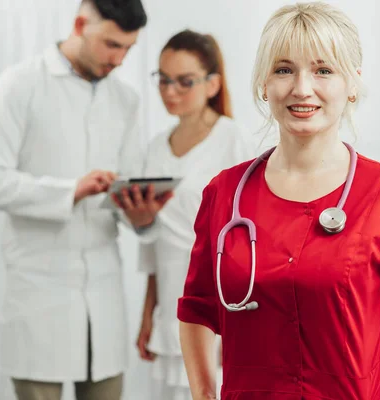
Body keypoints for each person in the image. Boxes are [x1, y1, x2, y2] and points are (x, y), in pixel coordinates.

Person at [177, 2, 380, 400]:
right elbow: (197, 308)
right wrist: (203, 393)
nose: (302, 88)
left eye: (323, 70)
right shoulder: (224, 194)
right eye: (284, 69)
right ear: (263, 84)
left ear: (352, 83)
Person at [0, 1, 170, 399]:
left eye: (129, 49)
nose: (120, 59)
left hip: (104, 294)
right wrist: (70, 191)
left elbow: (127, 190)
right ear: (80, 25)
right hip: (38, 295)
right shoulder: (20, 84)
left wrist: (142, 216)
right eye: (112, 45)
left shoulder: (126, 100)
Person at [132, 30, 256, 400]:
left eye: (184, 82)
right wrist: (147, 314)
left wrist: (238, 322)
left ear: (213, 83)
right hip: (169, 302)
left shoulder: (234, 142)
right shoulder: (156, 148)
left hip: (219, 307)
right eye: (164, 79)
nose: (170, 91)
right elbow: (154, 246)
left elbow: (251, 240)